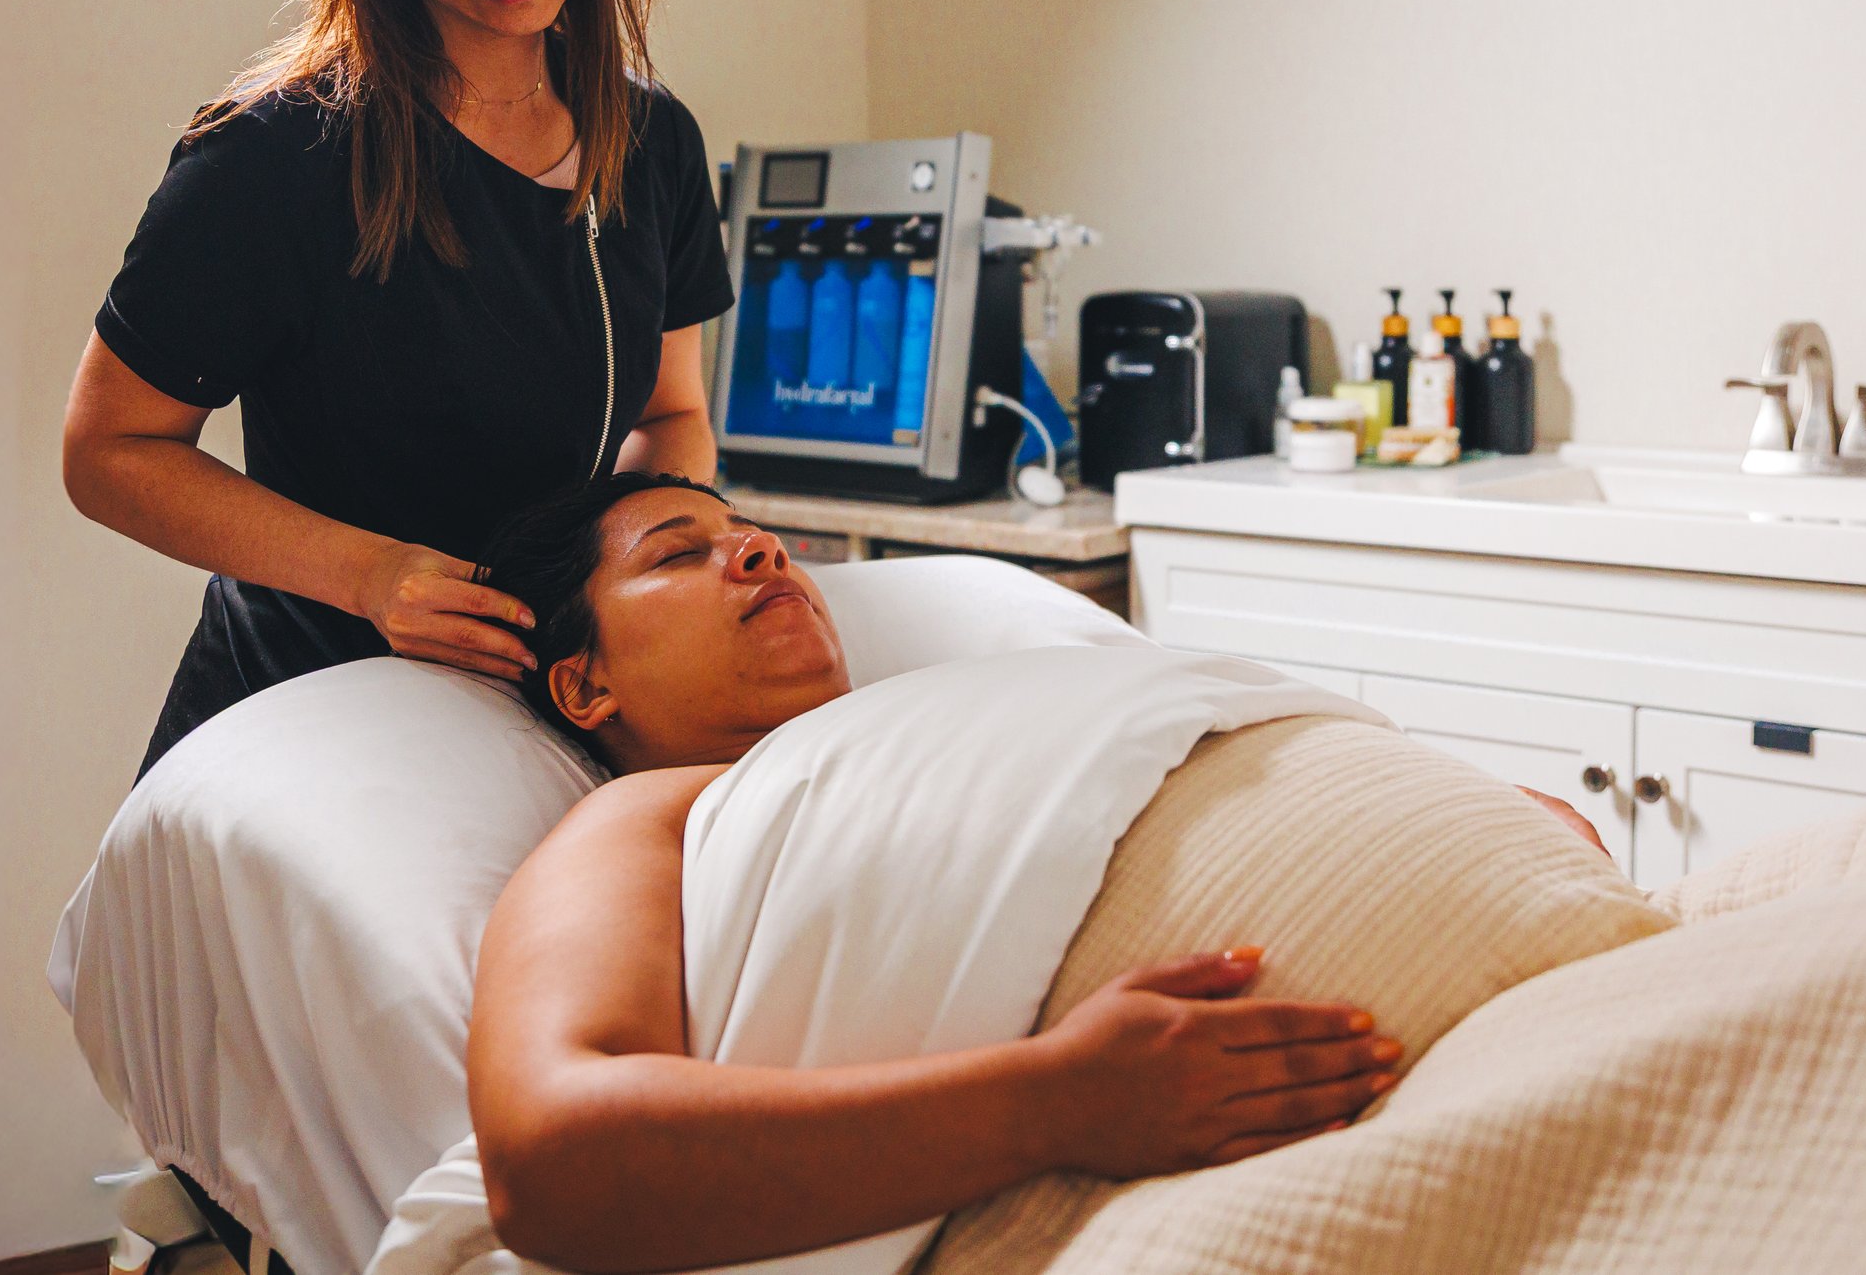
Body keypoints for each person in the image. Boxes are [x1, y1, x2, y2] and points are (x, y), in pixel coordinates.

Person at [463, 471, 1605, 1272]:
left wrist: (1475, 812)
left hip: (1565, 978)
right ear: (583, 685)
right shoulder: (645, 819)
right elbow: (553, 1156)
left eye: (750, 532)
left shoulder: (967, 702)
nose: (759, 549)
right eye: (680, 552)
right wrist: (1063, 1100)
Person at [62, 0, 732, 776]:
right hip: (309, 732)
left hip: (536, 718)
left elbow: (668, 418)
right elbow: (107, 450)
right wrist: (368, 574)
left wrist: (669, 585)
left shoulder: (651, 143)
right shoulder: (273, 159)